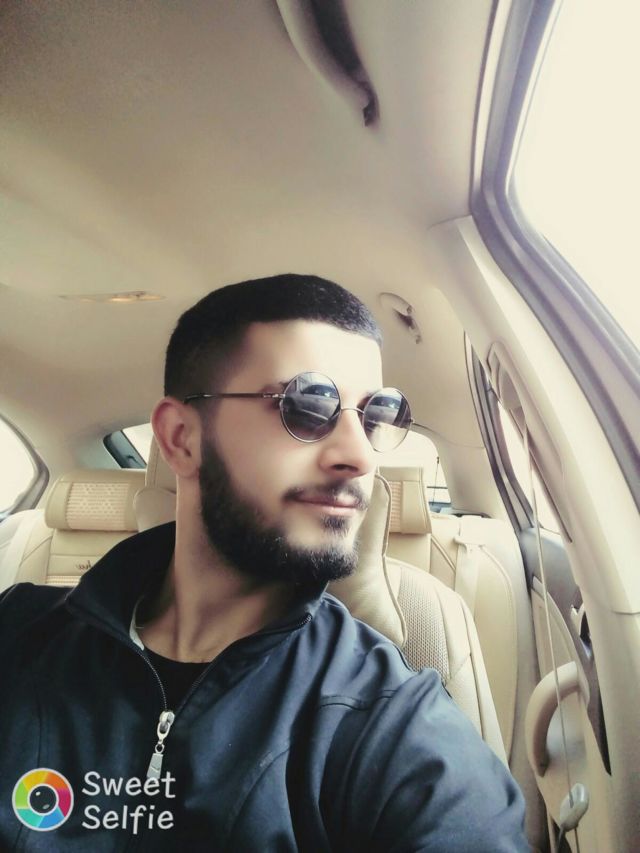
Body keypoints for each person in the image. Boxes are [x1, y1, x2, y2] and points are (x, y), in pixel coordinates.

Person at [0, 274, 529, 851]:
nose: (358, 455)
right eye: (309, 404)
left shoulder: (389, 718)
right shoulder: (19, 633)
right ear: (181, 439)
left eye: (376, 415)